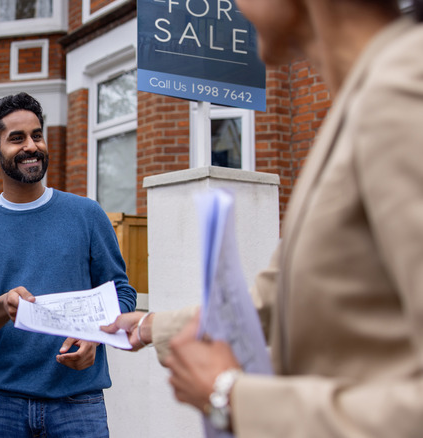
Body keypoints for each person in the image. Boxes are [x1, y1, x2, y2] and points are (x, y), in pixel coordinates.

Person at [103, 0, 423, 436]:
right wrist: (146, 325)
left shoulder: (403, 91)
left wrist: (231, 397)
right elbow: (272, 299)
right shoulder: (361, 105)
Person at [0, 92, 137, 437]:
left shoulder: (87, 214)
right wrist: (2, 305)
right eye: (16, 138)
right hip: (1, 402)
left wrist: (95, 337)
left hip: (78, 399)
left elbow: (121, 292)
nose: (31, 146)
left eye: (37, 135)